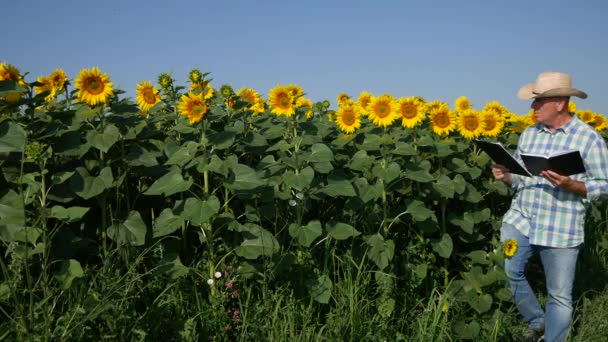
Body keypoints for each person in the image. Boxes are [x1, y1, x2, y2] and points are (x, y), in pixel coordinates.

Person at [491, 71, 608, 342]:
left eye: (539, 102)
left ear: (560, 103)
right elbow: (522, 177)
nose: (532, 108)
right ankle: (537, 320)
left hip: (561, 226)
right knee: (510, 271)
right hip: (522, 219)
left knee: (559, 295)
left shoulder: (589, 139)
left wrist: (573, 186)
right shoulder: (530, 135)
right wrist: (508, 176)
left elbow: (605, 185)